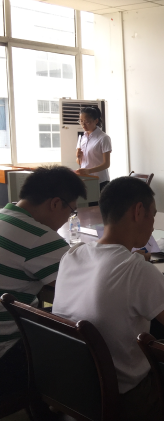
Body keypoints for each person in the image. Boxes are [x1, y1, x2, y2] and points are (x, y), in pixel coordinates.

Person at [52, 177, 164, 420]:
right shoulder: (135, 269)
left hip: (76, 391)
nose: (153, 226)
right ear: (138, 211)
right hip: (127, 400)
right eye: (153, 216)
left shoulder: (73, 256)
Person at [0, 166, 86, 397]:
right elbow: (86, 286)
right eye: (71, 212)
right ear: (56, 203)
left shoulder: (3, 216)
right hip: (7, 357)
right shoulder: (39, 237)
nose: (67, 220)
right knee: (92, 341)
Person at [75, 106, 111, 192]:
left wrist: (89, 171)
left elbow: (106, 164)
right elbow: (81, 162)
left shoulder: (103, 138)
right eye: (81, 121)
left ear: (96, 121)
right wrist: (78, 157)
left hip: (100, 180)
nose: (83, 124)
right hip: (86, 180)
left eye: (87, 121)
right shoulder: (82, 137)